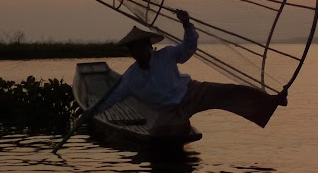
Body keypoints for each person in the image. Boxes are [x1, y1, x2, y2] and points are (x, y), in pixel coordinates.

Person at [94, 9, 286, 136]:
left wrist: (187, 25)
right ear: (131, 52)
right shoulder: (130, 77)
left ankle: (272, 100)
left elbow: (188, 48)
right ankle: (181, 129)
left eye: (141, 47)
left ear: (148, 46)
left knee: (231, 92)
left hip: (192, 92)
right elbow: (113, 97)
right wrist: (91, 111)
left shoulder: (166, 55)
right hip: (169, 109)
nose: (139, 52)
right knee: (159, 134)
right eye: (134, 49)